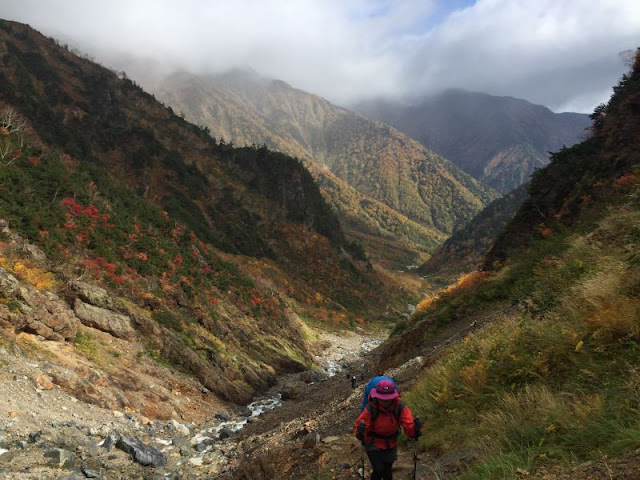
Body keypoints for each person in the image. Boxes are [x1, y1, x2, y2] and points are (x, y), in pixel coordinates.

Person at [353, 379, 422, 480]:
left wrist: (415, 430)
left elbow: (408, 425)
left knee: (387, 469)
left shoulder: (399, 407)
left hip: (390, 443)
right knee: (378, 469)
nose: (385, 401)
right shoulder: (371, 408)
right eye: (382, 399)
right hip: (372, 443)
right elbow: (359, 426)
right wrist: (360, 431)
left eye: (387, 399)